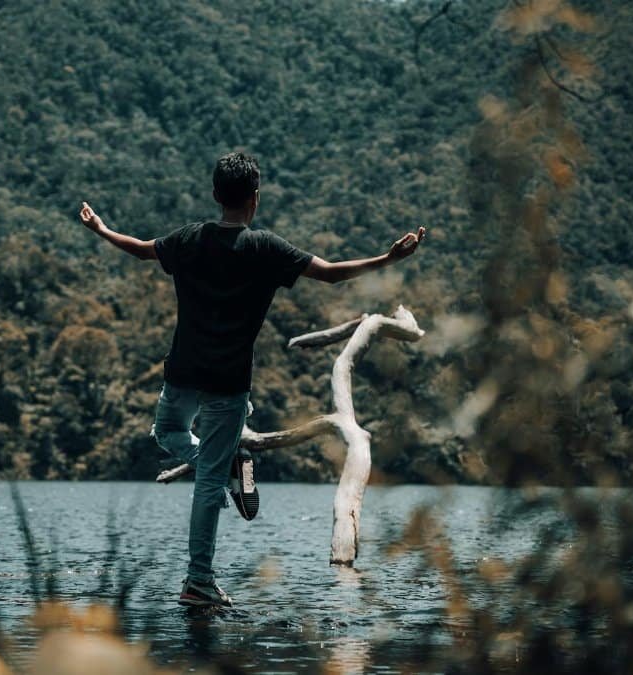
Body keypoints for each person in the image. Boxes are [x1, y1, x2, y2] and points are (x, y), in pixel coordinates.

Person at [77, 152, 425, 607]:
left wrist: (101, 230)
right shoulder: (265, 248)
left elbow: (142, 248)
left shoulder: (189, 239)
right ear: (255, 199)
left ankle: (204, 560)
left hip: (182, 371)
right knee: (198, 463)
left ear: (215, 195)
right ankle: (201, 569)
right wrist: (387, 258)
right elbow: (331, 275)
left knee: (169, 434)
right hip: (227, 381)